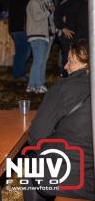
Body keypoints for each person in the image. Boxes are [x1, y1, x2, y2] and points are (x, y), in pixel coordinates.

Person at [25, 39, 94, 200]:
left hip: (69, 178)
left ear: (86, 63)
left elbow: (36, 137)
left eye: (71, 61)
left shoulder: (62, 89)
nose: (65, 66)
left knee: (31, 159)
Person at [26, 0, 51, 94]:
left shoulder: (41, 2)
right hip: (36, 36)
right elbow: (37, 17)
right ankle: (37, 85)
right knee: (38, 61)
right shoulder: (34, 2)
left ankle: (33, 85)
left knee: (39, 61)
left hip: (42, 35)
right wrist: (49, 11)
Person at [8, 0, 31, 80]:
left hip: (16, 29)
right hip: (19, 30)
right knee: (23, 52)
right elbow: (24, 9)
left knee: (21, 52)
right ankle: (20, 74)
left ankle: (17, 73)